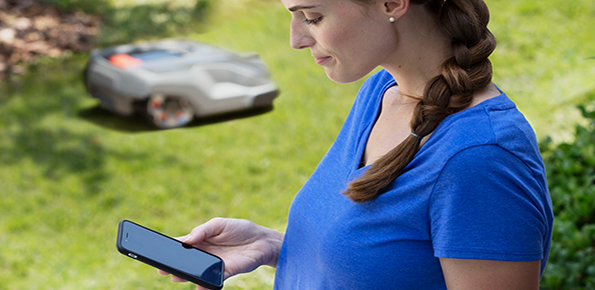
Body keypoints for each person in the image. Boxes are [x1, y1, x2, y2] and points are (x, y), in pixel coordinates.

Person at [158, 0, 553, 289]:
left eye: (312, 17)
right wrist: (281, 246)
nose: (295, 39)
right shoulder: (381, 92)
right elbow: (397, 262)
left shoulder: (481, 156)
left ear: (391, 3)